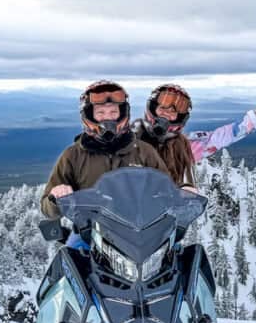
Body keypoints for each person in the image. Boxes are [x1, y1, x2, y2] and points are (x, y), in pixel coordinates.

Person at [40, 80, 169, 219]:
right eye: (100, 112)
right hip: (89, 228)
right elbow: (47, 209)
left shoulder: (144, 152)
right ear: (89, 115)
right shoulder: (73, 155)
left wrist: (177, 194)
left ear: (122, 113)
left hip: (140, 228)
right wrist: (55, 199)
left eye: (113, 112)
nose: (108, 118)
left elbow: (168, 191)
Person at [134, 83, 256, 187]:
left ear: (180, 118)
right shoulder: (128, 138)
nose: (167, 113)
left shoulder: (184, 148)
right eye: (163, 108)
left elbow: (217, 138)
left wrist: (255, 119)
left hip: (160, 212)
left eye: (173, 112)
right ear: (152, 108)